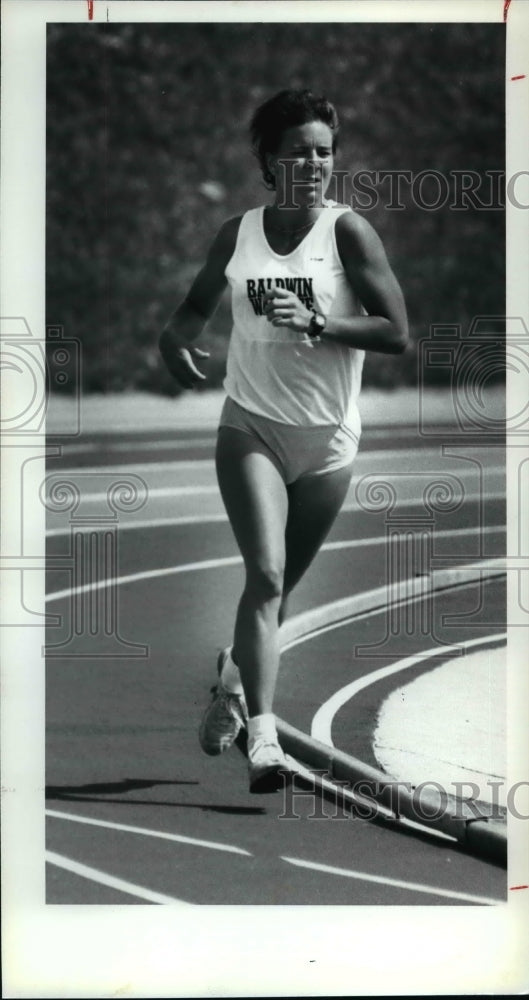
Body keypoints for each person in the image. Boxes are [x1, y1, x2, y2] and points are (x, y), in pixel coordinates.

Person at [159, 89, 408, 794]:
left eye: (323, 151)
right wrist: (173, 340)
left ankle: (232, 683)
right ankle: (265, 740)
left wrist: (318, 321)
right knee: (265, 576)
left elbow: (395, 333)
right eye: (297, 151)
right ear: (268, 159)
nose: (313, 163)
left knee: (276, 592)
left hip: (328, 442)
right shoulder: (236, 234)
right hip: (251, 427)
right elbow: (192, 309)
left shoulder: (349, 234)